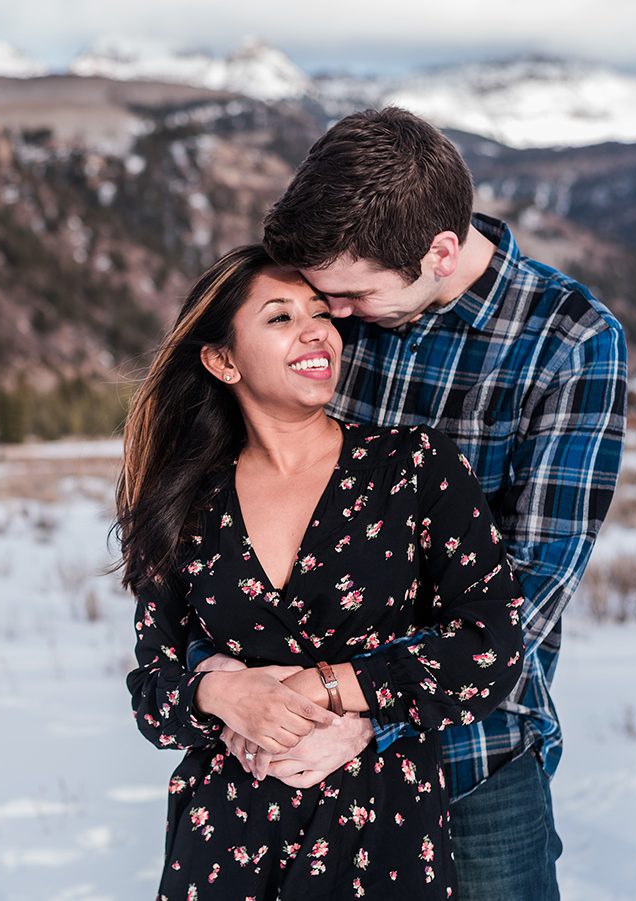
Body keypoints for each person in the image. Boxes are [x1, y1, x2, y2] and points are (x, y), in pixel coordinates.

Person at [194, 107, 629, 900]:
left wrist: (368, 714)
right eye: (325, 300)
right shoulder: (330, 309)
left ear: (440, 251)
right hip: (295, 758)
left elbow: (531, 584)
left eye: (353, 296)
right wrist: (226, 681)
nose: (337, 318)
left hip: (468, 757)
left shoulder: (567, 343)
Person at [118, 244, 525, 899]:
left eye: (320, 313)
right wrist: (220, 695)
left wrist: (330, 687)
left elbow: (491, 647)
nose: (316, 331)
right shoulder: (185, 501)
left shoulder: (414, 468)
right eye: (279, 317)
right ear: (223, 360)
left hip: (381, 839)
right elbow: (152, 692)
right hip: (228, 844)